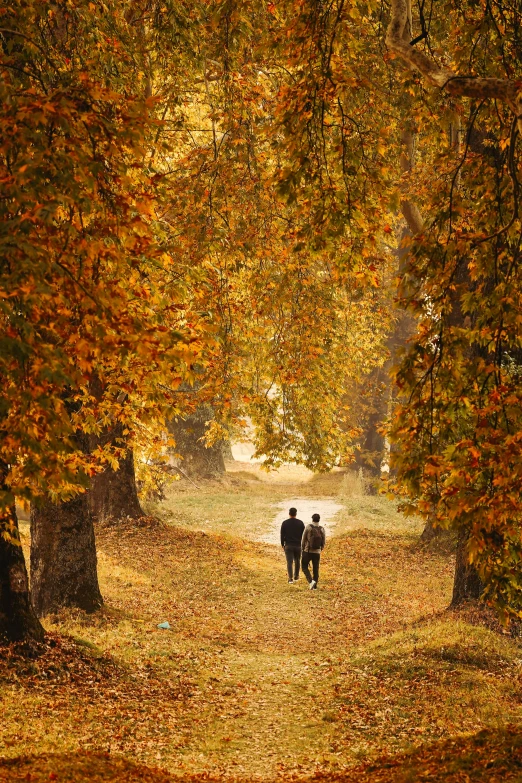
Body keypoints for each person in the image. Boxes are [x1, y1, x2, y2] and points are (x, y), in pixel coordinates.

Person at [280, 507, 305, 584]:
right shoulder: (300, 523)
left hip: (288, 545)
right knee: (297, 560)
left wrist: (282, 544)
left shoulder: (285, 523)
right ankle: (296, 576)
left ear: (289, 513)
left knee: (289, 562)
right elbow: (303, 535)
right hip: (298, 545)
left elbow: (282, 535)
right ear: (296, 514)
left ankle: (290, 578)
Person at [301, 513, 325, 590]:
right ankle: (314, 586)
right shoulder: (322, 529)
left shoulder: (308, 527)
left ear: (312, 519)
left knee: (304, 566)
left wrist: (302, 549)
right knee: (316, 569)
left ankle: (311, 582)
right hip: (317, 552)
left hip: (308, 551)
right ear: (319, 520)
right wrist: (320, 549)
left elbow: (303, 539)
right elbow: (323, 542)